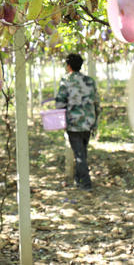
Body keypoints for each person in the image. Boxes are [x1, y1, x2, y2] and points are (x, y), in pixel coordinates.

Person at [55, 53, 100, 192]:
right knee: (82, 152)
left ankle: (86, 184)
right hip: (88, 121)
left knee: (80, 155)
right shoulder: (90, 81)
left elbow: (59, 103)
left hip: (74, 123)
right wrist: (95, 121)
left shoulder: (66, 81)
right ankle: (78, 179)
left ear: (68, 66)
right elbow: (97, 102)